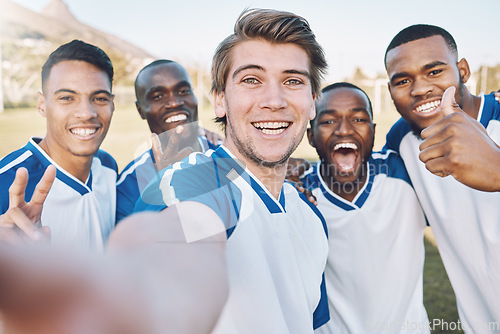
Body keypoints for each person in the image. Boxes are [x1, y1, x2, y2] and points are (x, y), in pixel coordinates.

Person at [134, 8, 330, 333]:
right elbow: (175, 232)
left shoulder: (311, 217)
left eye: (292, 80)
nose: (274, 100)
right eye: (251, 80)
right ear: (220, 101)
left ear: (312, 102)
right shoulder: (191, 185)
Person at [384, 24, 500, 333]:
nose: (420, 89)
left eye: (434, 72)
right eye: (403, 80)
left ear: (462, 70)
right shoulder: (403, 139)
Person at [303, 83, 428, 333]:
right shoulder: (299, 194)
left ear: (372, 131)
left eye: (358, 118)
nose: (344, 130)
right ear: (311, 136)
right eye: (328, 121)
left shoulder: (405, 172)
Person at [0, 40, 117, 250]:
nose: (86, 113)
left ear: (112, 104)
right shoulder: (6, 182)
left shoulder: (108, 167)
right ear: (42, 105)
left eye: (99, 98)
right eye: (66, 97)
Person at [116, 60, 220, 222]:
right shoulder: (130, 183)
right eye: (158, 96)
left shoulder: (227, 155)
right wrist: (167, 187)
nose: (175, 103)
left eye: (183, 91)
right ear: (140, 110)